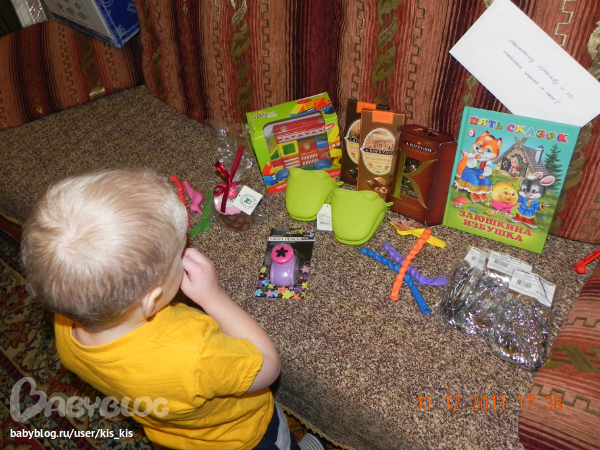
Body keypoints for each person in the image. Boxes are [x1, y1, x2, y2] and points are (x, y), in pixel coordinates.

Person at [21, 167, 324, 450]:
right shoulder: (195, 352)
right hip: (243, 437)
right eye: (179, 255)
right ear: (151, 300)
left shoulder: (67, 320)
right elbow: (268, 366)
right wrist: (213, 297)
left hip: (176, 438)